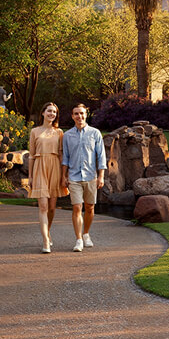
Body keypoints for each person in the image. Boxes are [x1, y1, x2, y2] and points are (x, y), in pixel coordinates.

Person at [61, 103, 106, 252]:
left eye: (82, 113)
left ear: (86, 114)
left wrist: (101, 176)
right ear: (72, 116)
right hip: (74, 177)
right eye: (76, 114)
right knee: (76, 207)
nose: (79, 116)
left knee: (90, 207)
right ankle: (79, 239)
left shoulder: (95, 133)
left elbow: (101, 156)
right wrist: (64, 176)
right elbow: (65, 158)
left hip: (90, 176)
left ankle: (86, 233)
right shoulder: (67, 135)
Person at [26, 103, 66, 253]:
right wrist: (30, 176)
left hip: (55, 166)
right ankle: (45, 241)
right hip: (39, 167)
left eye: (54, 112)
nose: (52, 114)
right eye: (49, 111)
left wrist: (64, 174)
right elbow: (31, 156)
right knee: (42, 206)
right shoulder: (35, 132)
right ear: (42, 113)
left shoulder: (59, 132)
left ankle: (47, 232)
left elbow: (62, 155)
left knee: (51, 207)